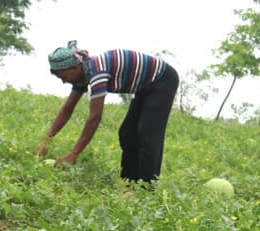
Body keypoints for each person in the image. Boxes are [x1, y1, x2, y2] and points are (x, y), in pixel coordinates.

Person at [37, 40, 179, 184]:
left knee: (147, 133)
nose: (64, 82)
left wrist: (74, 154)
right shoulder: (83, 75)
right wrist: (45, 141)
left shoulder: (98, 72)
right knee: (127, 133)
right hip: (144, 87)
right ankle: (129, 183)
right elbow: (67, 109)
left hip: (163, 80)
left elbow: (95, 117)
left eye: (64, 77)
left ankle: (147, 188)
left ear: (74, 68)